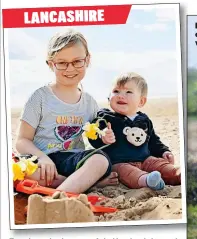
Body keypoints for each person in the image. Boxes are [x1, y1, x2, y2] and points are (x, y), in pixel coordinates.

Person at [15, 29, 118, 194]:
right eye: (62, 63)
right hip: (42, 161)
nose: (70, 69)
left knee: (100, 160)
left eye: (77, 61)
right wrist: (42, 158)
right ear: (50, 64)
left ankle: (57, 197)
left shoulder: (89, 102)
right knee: (22, 171)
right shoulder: (40, 97)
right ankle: (82, 186)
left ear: (87, 60)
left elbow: (94, 138)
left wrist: (104, 138)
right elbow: (22, 141)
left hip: (72, 160)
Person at [88, 72, 181, 190]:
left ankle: (180, 175)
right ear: (108, 98)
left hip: (146, 159)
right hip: (119, 163)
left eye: (128, 92)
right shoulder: (105, 118)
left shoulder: (144, 120)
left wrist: (163, 152)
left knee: (162, 166)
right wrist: (103, 137)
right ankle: (147, 181)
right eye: (116, 91)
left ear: (141, 101)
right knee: (127, 173)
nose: (121, 96)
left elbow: (153, 141)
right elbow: (93, 136)